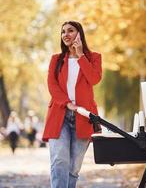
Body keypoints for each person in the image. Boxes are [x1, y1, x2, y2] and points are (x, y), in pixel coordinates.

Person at [42, 21, 102, 188]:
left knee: (74, 167)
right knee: (59, 160)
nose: (66, 34)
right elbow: (52, 85)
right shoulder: (56, 59)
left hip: (83, 116)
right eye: (63, 32)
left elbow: (94, 79)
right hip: (59, 114)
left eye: (70, 30)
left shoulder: (94, 58)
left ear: (79, 34)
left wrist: (81, 55)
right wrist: (67, 103)